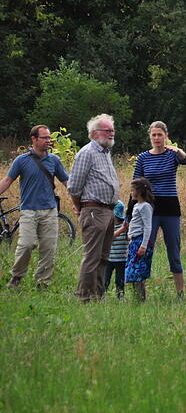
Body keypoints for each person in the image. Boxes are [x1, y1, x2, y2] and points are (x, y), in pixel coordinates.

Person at [1, 125, 69, 290]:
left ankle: (43, 283)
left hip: (50, 211)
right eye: (45, 138)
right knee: (26, 244)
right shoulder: (21, 160)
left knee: (48, 249)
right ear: (34, 139)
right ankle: (17, 277)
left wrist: (80, 198)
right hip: (29, 210)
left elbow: (67, 182)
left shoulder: (54, 160)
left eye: (49, 138)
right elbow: (7, 181)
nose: (49, 141)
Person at [130, 121, 186, 297]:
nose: (157, 138)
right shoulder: (143, 158)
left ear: (166, 136)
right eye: (154, 135)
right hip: (150, 208)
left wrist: (176, 149)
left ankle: (180, 292)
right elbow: (135, 185)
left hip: (170, 207)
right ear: (150, 137)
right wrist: (129, 213)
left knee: (174, 251)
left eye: (160, 135)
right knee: (144, 247)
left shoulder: (172, 155)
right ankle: (139, 292)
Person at [68, 114, 121, 303]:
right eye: (108, 131)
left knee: (104, 257)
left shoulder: (105, 153)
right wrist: (78, 207)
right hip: (93, 210)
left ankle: (98, 295)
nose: (111, 134)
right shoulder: (87, 153)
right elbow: (74, 186)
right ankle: (84, 297)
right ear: (94, 133)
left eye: (112, 130)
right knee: (92, 256)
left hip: (108, 211)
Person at [124, 178, 155, 301]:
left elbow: (148, 227)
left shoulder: (145, 207)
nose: (131, 193)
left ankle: (141, 299)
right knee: (131, 272)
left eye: (133, 190)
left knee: (137, 272)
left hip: (140, 241)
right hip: (134, 241)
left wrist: (143, 245)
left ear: (140, 191)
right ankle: (137, 297)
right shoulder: (136, 205)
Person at [104, 201, 128, 299]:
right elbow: (109, 237)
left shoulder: (125, 226)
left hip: (121, 259)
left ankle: (120, 297)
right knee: (105, 279)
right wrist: (122, 230)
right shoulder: (109, 226)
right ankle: (102, 295)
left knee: (119, 280)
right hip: (109, 258)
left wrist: (126, 229)